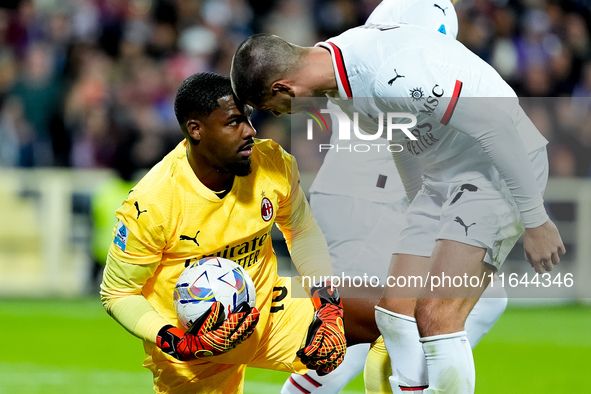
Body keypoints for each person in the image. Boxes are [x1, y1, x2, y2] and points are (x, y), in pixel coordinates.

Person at [230, 13, 565, 394]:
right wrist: (418, 207)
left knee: (438, 316)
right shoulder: (341, 84)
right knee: (394, 313)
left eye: (274, 108)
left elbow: (498, 126)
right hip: (443, 176)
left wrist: (536, 219)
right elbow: (402, 140)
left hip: (491, 167)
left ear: (283, 88)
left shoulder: (388, 74)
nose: (281, 116)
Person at [280, 1, 506, 393]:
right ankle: (411, 383)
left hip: (360, 195)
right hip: (375, 199)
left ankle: (407, 379)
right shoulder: (409, 63)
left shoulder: (356, 49)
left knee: (383, 322)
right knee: (378, 323)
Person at [100, 72, 347, 394]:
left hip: (268, 313)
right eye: (234, 122)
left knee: (383, 315)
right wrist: (175, 341)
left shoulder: (271, 161)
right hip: (194, 345)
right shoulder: (152, 203)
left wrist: (328, 302)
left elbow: (300, 229)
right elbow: (118, 293)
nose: (250, 131)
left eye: (248, 118)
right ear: (196, 130)